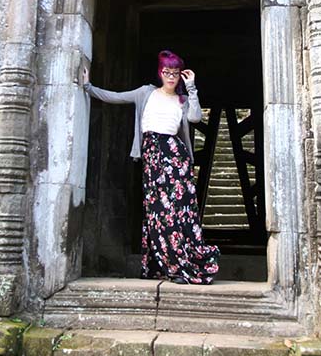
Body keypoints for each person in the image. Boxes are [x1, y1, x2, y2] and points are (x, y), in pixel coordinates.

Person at [82, 49, 219, 284]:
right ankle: (163, 264)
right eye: (167, 72)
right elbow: (116, 96)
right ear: (160, 72)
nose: (171, 77)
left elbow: (196, 118)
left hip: (176, 158)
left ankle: (181, 264)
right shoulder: (145, 93)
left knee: (178, 214)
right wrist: (88, 87)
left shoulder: (183, 100)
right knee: (157, 214)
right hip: (153, 158)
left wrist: (192, 88)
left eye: (175, 73)